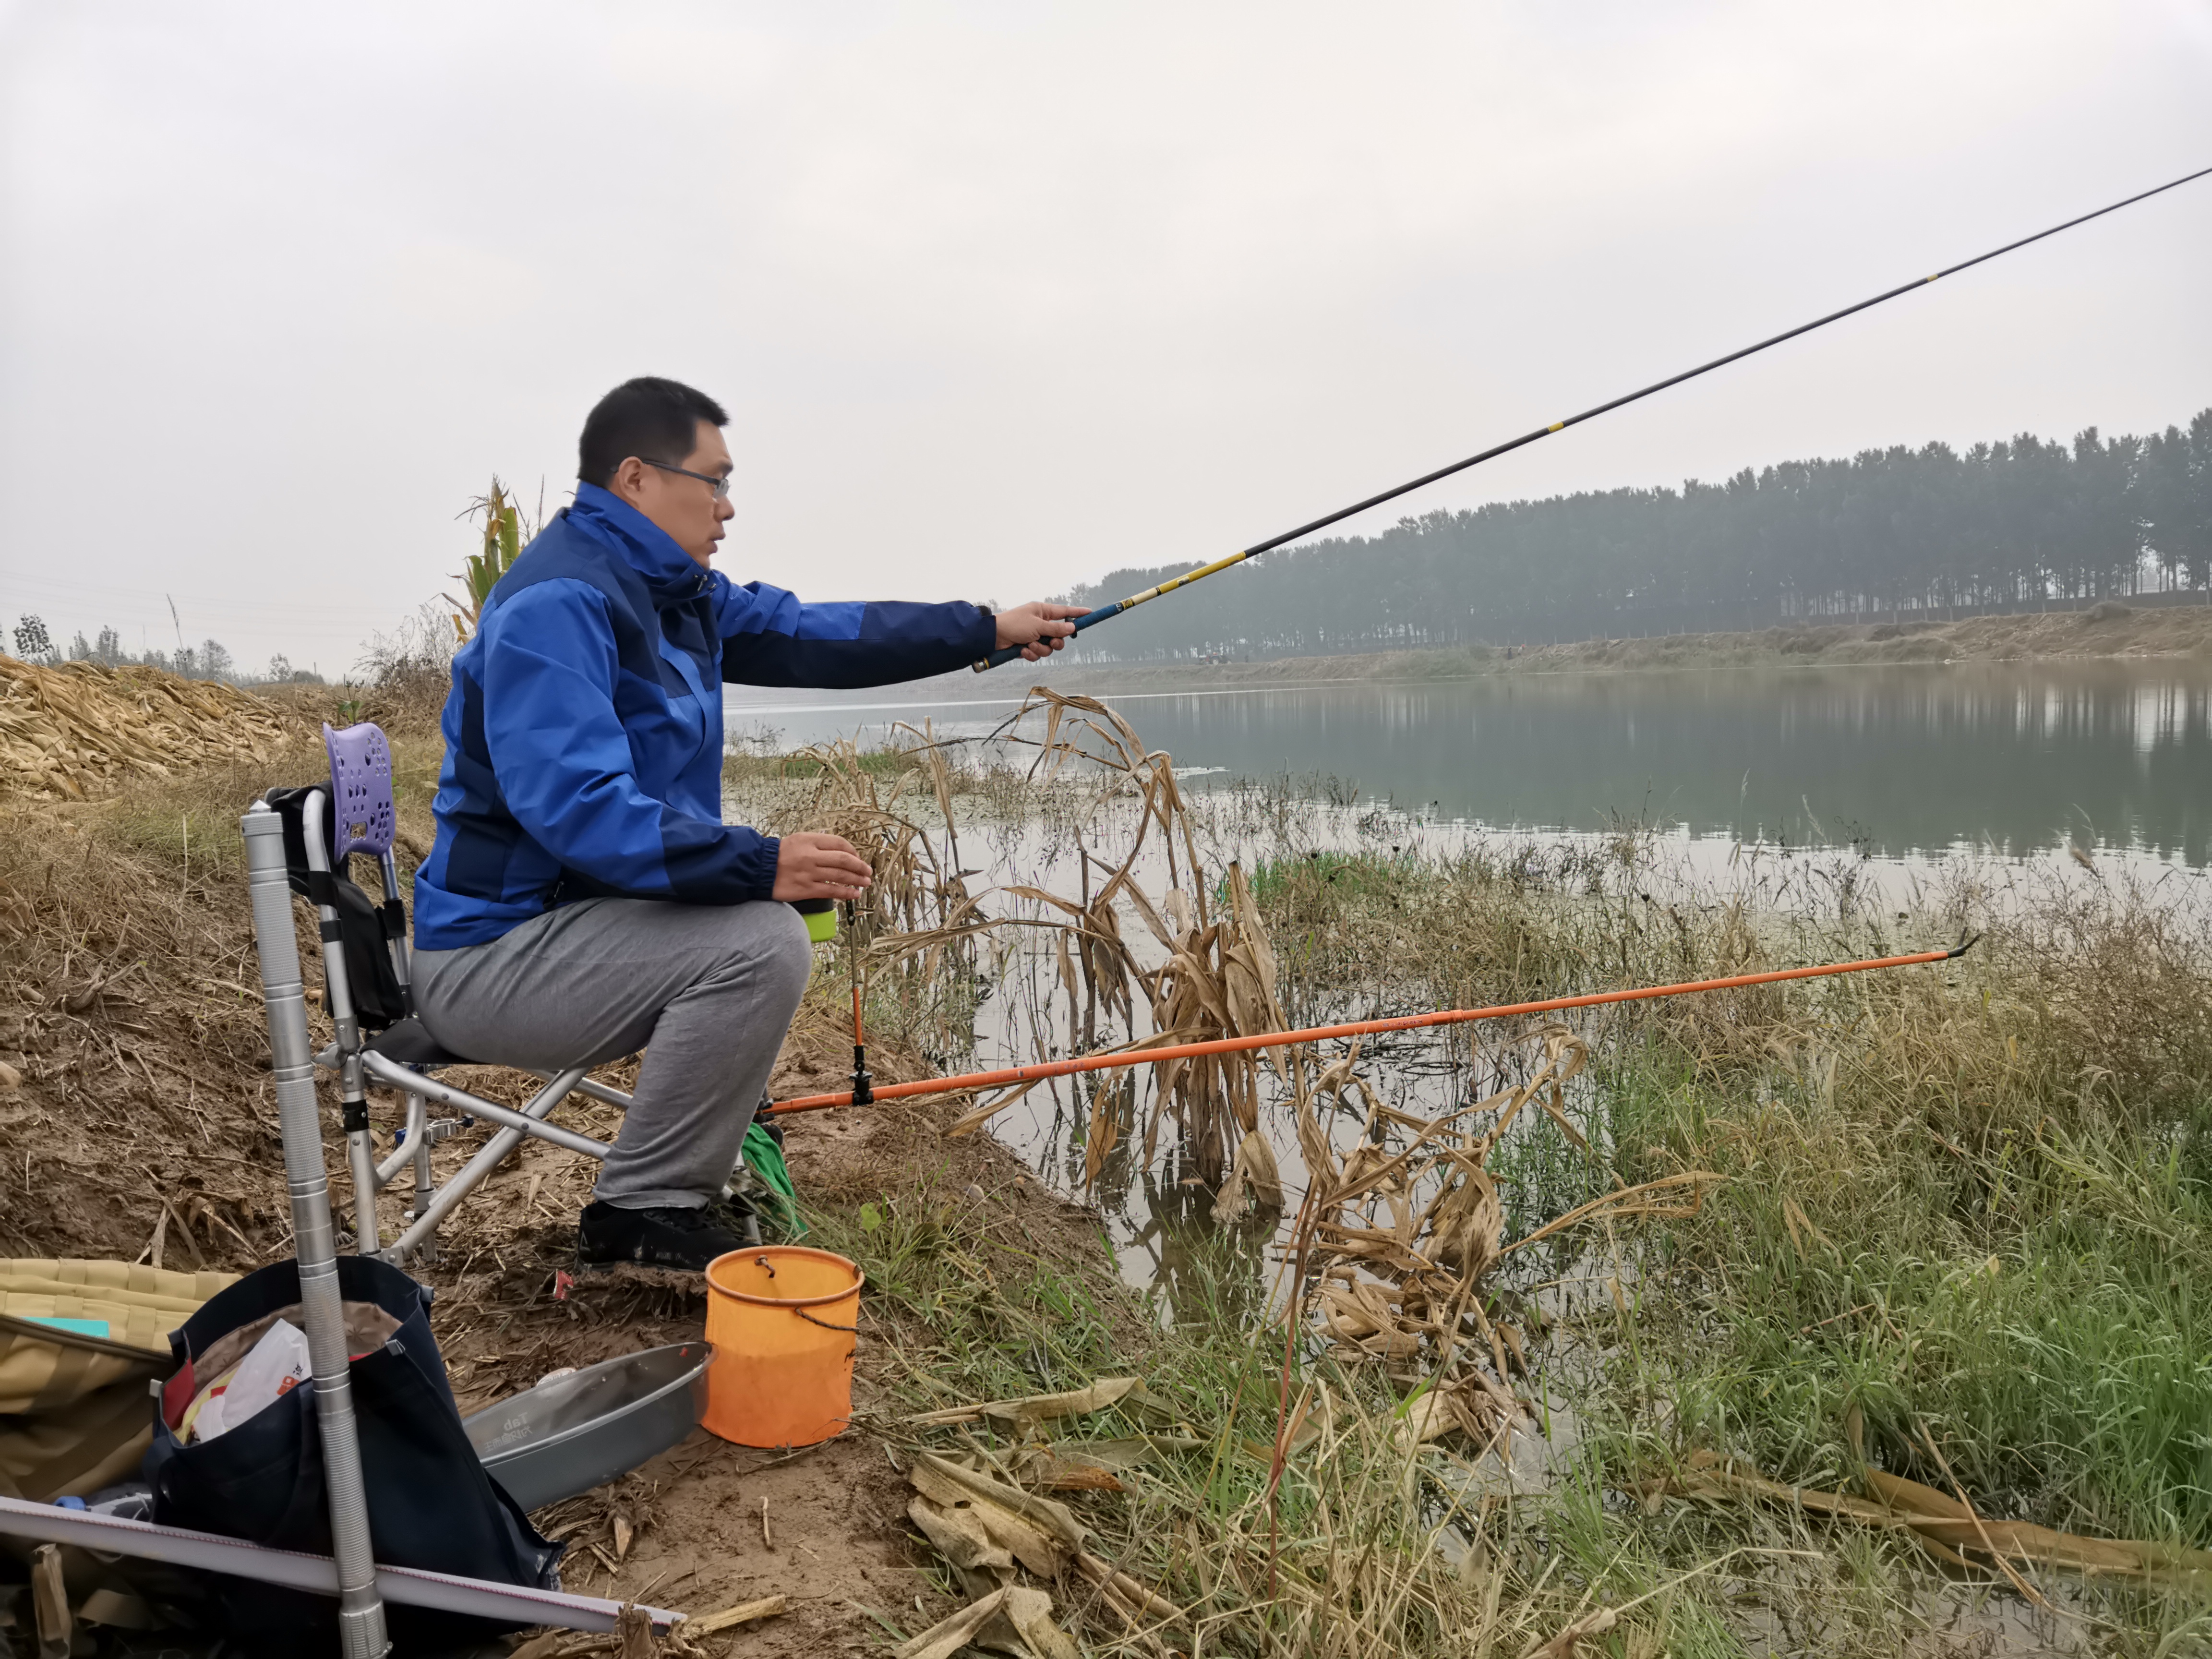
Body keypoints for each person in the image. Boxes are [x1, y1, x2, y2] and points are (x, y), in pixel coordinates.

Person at [409, 376, 1082, 1278]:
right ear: (638, 478)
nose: (729, 507)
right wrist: (762, 863)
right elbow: (579, 807)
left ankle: (674, 1184)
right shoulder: (557, 606)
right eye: (715, 481)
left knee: (760, 929)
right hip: (494, 959)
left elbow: (822, 635)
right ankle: (643, 1212)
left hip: (575, 929)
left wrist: (986, 629)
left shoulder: (677, 596)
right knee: (762, 941)